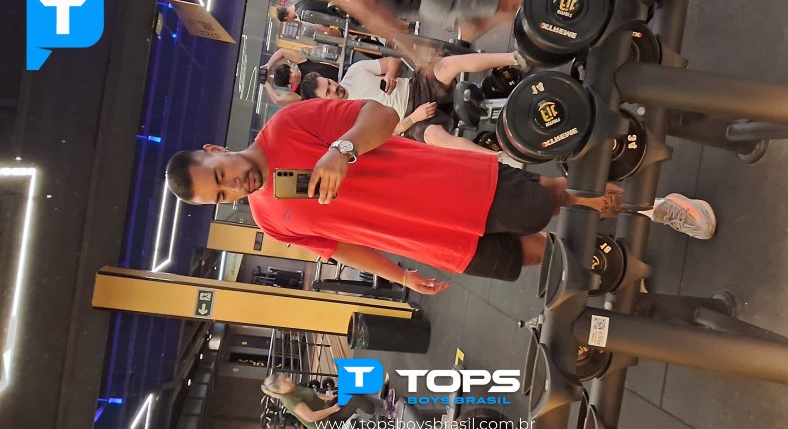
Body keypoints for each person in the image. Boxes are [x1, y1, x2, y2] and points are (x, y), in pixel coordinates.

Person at [165, 99, 716, 294]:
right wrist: (400, 275)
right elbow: (339, 248)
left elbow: (380, 115)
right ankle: (612, 258)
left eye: (221, 174)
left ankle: (657, 207)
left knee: (554, 198)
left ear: (216, 149)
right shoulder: (268, 217)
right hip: (435, 244)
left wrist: (342, 150)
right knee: (529, 256)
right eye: (221, 196)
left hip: (454, 188)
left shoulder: (287, 126)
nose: (234, 187)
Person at [238, 0, 530, 60]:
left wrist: (409, 47)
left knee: (504, 0)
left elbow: (365, 5)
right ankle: (541, 19)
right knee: (476, 21)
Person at [299, 53, 522, 154]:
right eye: (328, 92)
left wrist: (390, 74)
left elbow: (392, 61)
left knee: (445, 64)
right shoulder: (349, 121)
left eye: (329, 82)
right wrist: (414, 117)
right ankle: (499, 158)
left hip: (415, 87)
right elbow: (388, 136)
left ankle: (514, 58)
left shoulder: (354, 72)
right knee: (435, 138)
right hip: (410, 121)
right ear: (324, 103)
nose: (334, 87)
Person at [261, 372, 396, 429]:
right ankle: (387, 412)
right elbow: (310, 417)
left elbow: (312, 393)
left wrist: (329, 397)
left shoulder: (292, 389)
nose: (288, 379)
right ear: (280, 391)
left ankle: (383, 404)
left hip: (326, 410)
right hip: (325, 425)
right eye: (284, 381)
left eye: (285, 377)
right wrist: (332, 408)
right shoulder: (289, 400)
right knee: (356, 400)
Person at [261, 48, 339, 106]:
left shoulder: (304, 63)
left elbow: (282, 52)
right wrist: (266, 83)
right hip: (338, 96)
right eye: (290, 77)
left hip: (342, 75)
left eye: (291, 71)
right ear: (289, 83)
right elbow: (278, 100)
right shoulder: (299, 93)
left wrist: (268, 65)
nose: (293, 75)